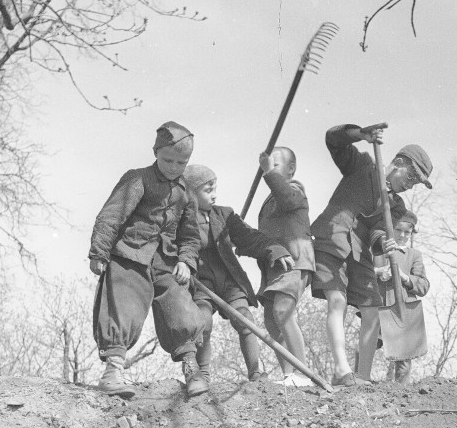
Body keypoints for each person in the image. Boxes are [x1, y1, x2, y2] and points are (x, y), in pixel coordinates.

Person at [89, 121, 206, 400]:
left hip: (166, 262)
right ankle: (113, 372)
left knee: (181, 308)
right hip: (129, 255)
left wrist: (186, 262)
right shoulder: (137, 178)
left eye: (182, 162)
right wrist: (99, 251)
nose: (174, 167)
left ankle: (192, 368)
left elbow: (190, 235)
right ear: (156, 152)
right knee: (123, 308)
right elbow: (111, 215)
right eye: (168, 160)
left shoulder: (186, 192)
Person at [310, 123, 433, 387]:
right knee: (337, 301)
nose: (411, 186)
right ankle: (342, 371)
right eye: (411, 178)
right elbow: (333, 139)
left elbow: (377, 234)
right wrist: (360, 135)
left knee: (372, 311)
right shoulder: (364, 167)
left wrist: (383, 244)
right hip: (332, 239)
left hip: (359, 253)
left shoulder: (397, 206)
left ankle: (362, 377)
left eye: (416, 183)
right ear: (398, 163)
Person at [183, 164, 292, 385]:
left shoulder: (224, 215)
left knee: (244, 319)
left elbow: (249, 237)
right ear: (190, 193)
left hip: (229, 280)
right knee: (203, 322)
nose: (215, 195)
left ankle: (256, 374)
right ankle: (202, 376)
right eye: (208, 190)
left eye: (215, 188)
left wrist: (274, 249)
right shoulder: (181, 221)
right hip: (201, 282)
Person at [256, 147, 315, 387]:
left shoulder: (295, 189)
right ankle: (289, 374)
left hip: (295, 259)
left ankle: (302, 374)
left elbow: (287, 199)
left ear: (290, 169)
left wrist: (269, 173)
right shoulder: (270, 199)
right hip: (274, 266)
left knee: (283, 311)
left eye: (276, 165)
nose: (270, 169)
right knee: (271, 319)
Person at [362, 209, 430, 383]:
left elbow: (423, 285)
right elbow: (361, 274)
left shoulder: (414, 255)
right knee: (365, 347)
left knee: (404, 359)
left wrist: (404, 277)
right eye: (398, 230)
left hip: (402, 311)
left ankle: (402, 393)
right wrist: (377, 272)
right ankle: (359, 381)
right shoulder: (377, 252)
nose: (402, 235)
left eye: (407, 232)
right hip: (378, 308)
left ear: (411, 233)